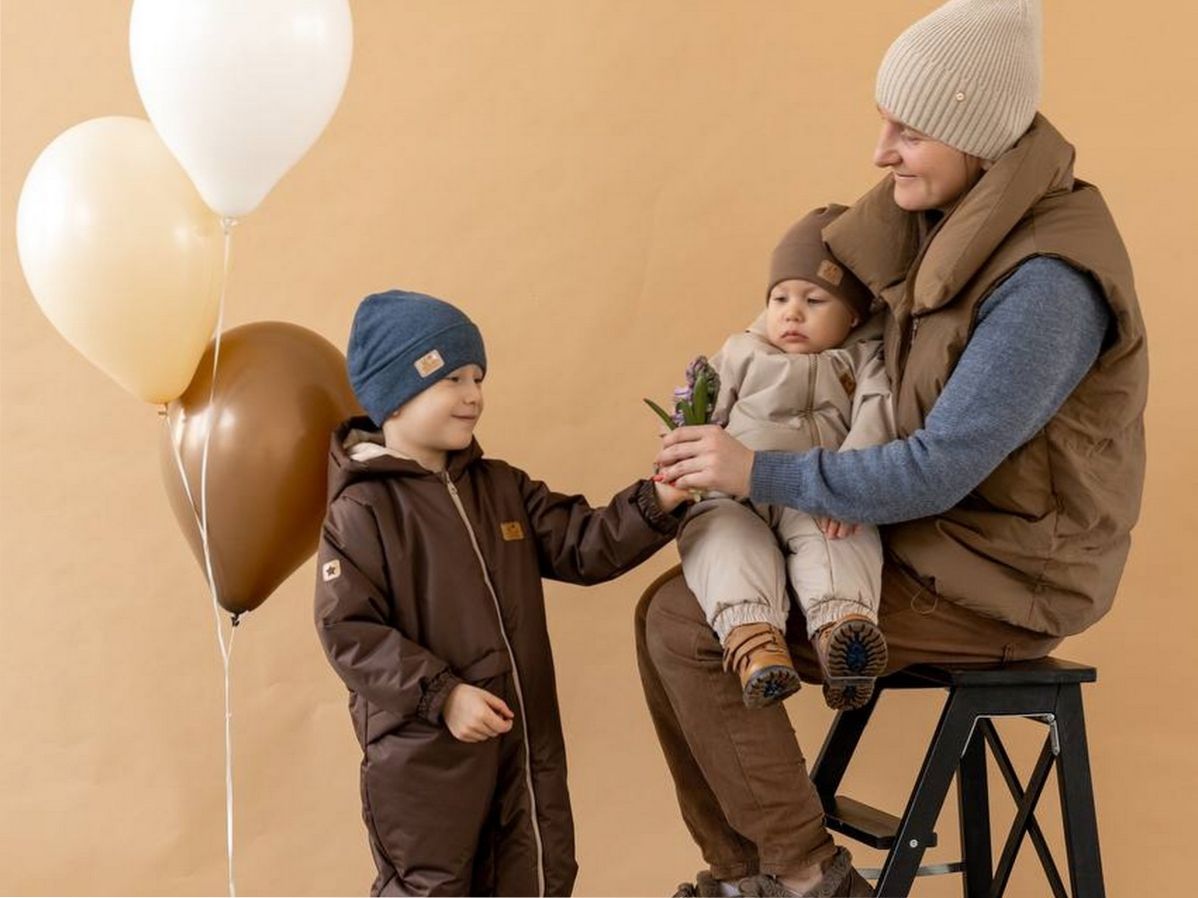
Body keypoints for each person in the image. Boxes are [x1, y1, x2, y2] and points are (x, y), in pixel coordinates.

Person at [642, 0, 1147, 895]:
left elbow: (939, 466)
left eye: (907, 132)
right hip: (938, 540)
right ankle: (751, 874)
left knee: (686, 622)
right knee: (674, 606)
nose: (881, 152)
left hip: (1007, 575)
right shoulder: (952, 227)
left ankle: (803, 878)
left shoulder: (1048, 284)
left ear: (977, 137)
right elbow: (841, 350)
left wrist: (759, 471)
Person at [314, 290, 687, 896]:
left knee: (535, 872)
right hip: (425, 759)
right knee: (432, 886)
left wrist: (660, 498)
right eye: (452, 379)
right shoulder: (362, 510)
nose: (473, 395)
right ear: (395, 394)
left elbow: (584, 544)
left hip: (522, 746)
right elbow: (350, 630)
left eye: (478, 377)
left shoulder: (502, 489)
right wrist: (442, 695)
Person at [674, 206, 893, 712]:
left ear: (854, 315)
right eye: (779, 299)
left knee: (840, 539)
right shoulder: (741, 352)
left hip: (814, 493)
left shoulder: (864, 359)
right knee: (720, 537)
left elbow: (876, 416)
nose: (792, 313)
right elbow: (701, 413)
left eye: (814, 300)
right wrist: (683, 450)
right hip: (737, 493)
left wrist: (849, 487)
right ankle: (755, 643)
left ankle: (843, 635)